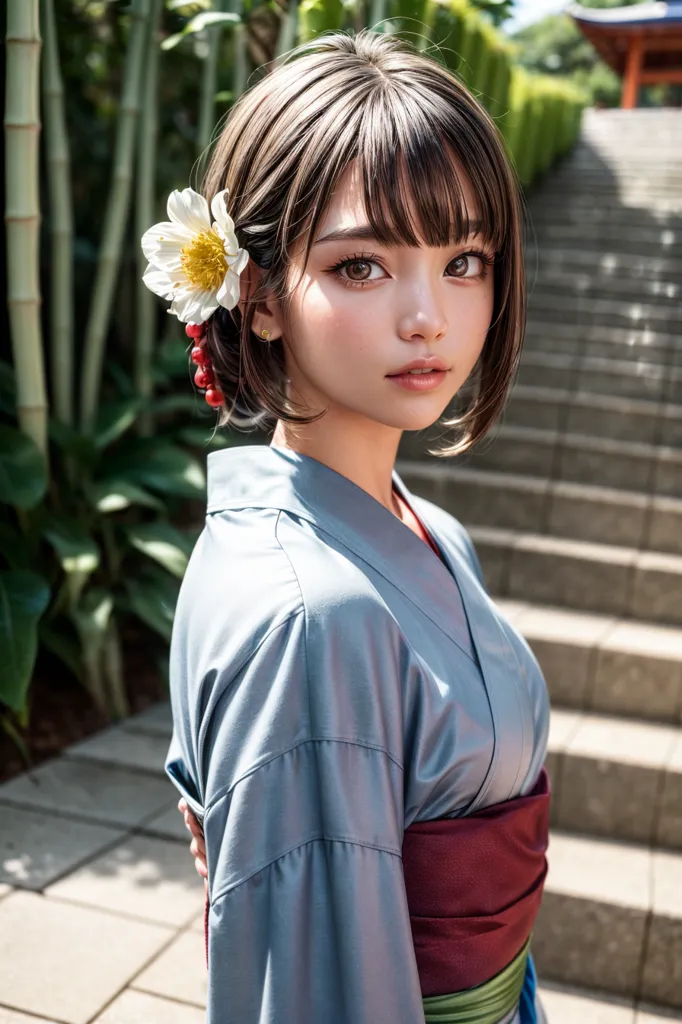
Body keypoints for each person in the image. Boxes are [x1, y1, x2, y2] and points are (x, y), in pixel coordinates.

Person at [142, 27, 551, 1024]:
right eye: (364, 265)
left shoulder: (431, 530)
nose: (430, 316)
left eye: (464, 258)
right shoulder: (310, 616)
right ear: (259, 292)